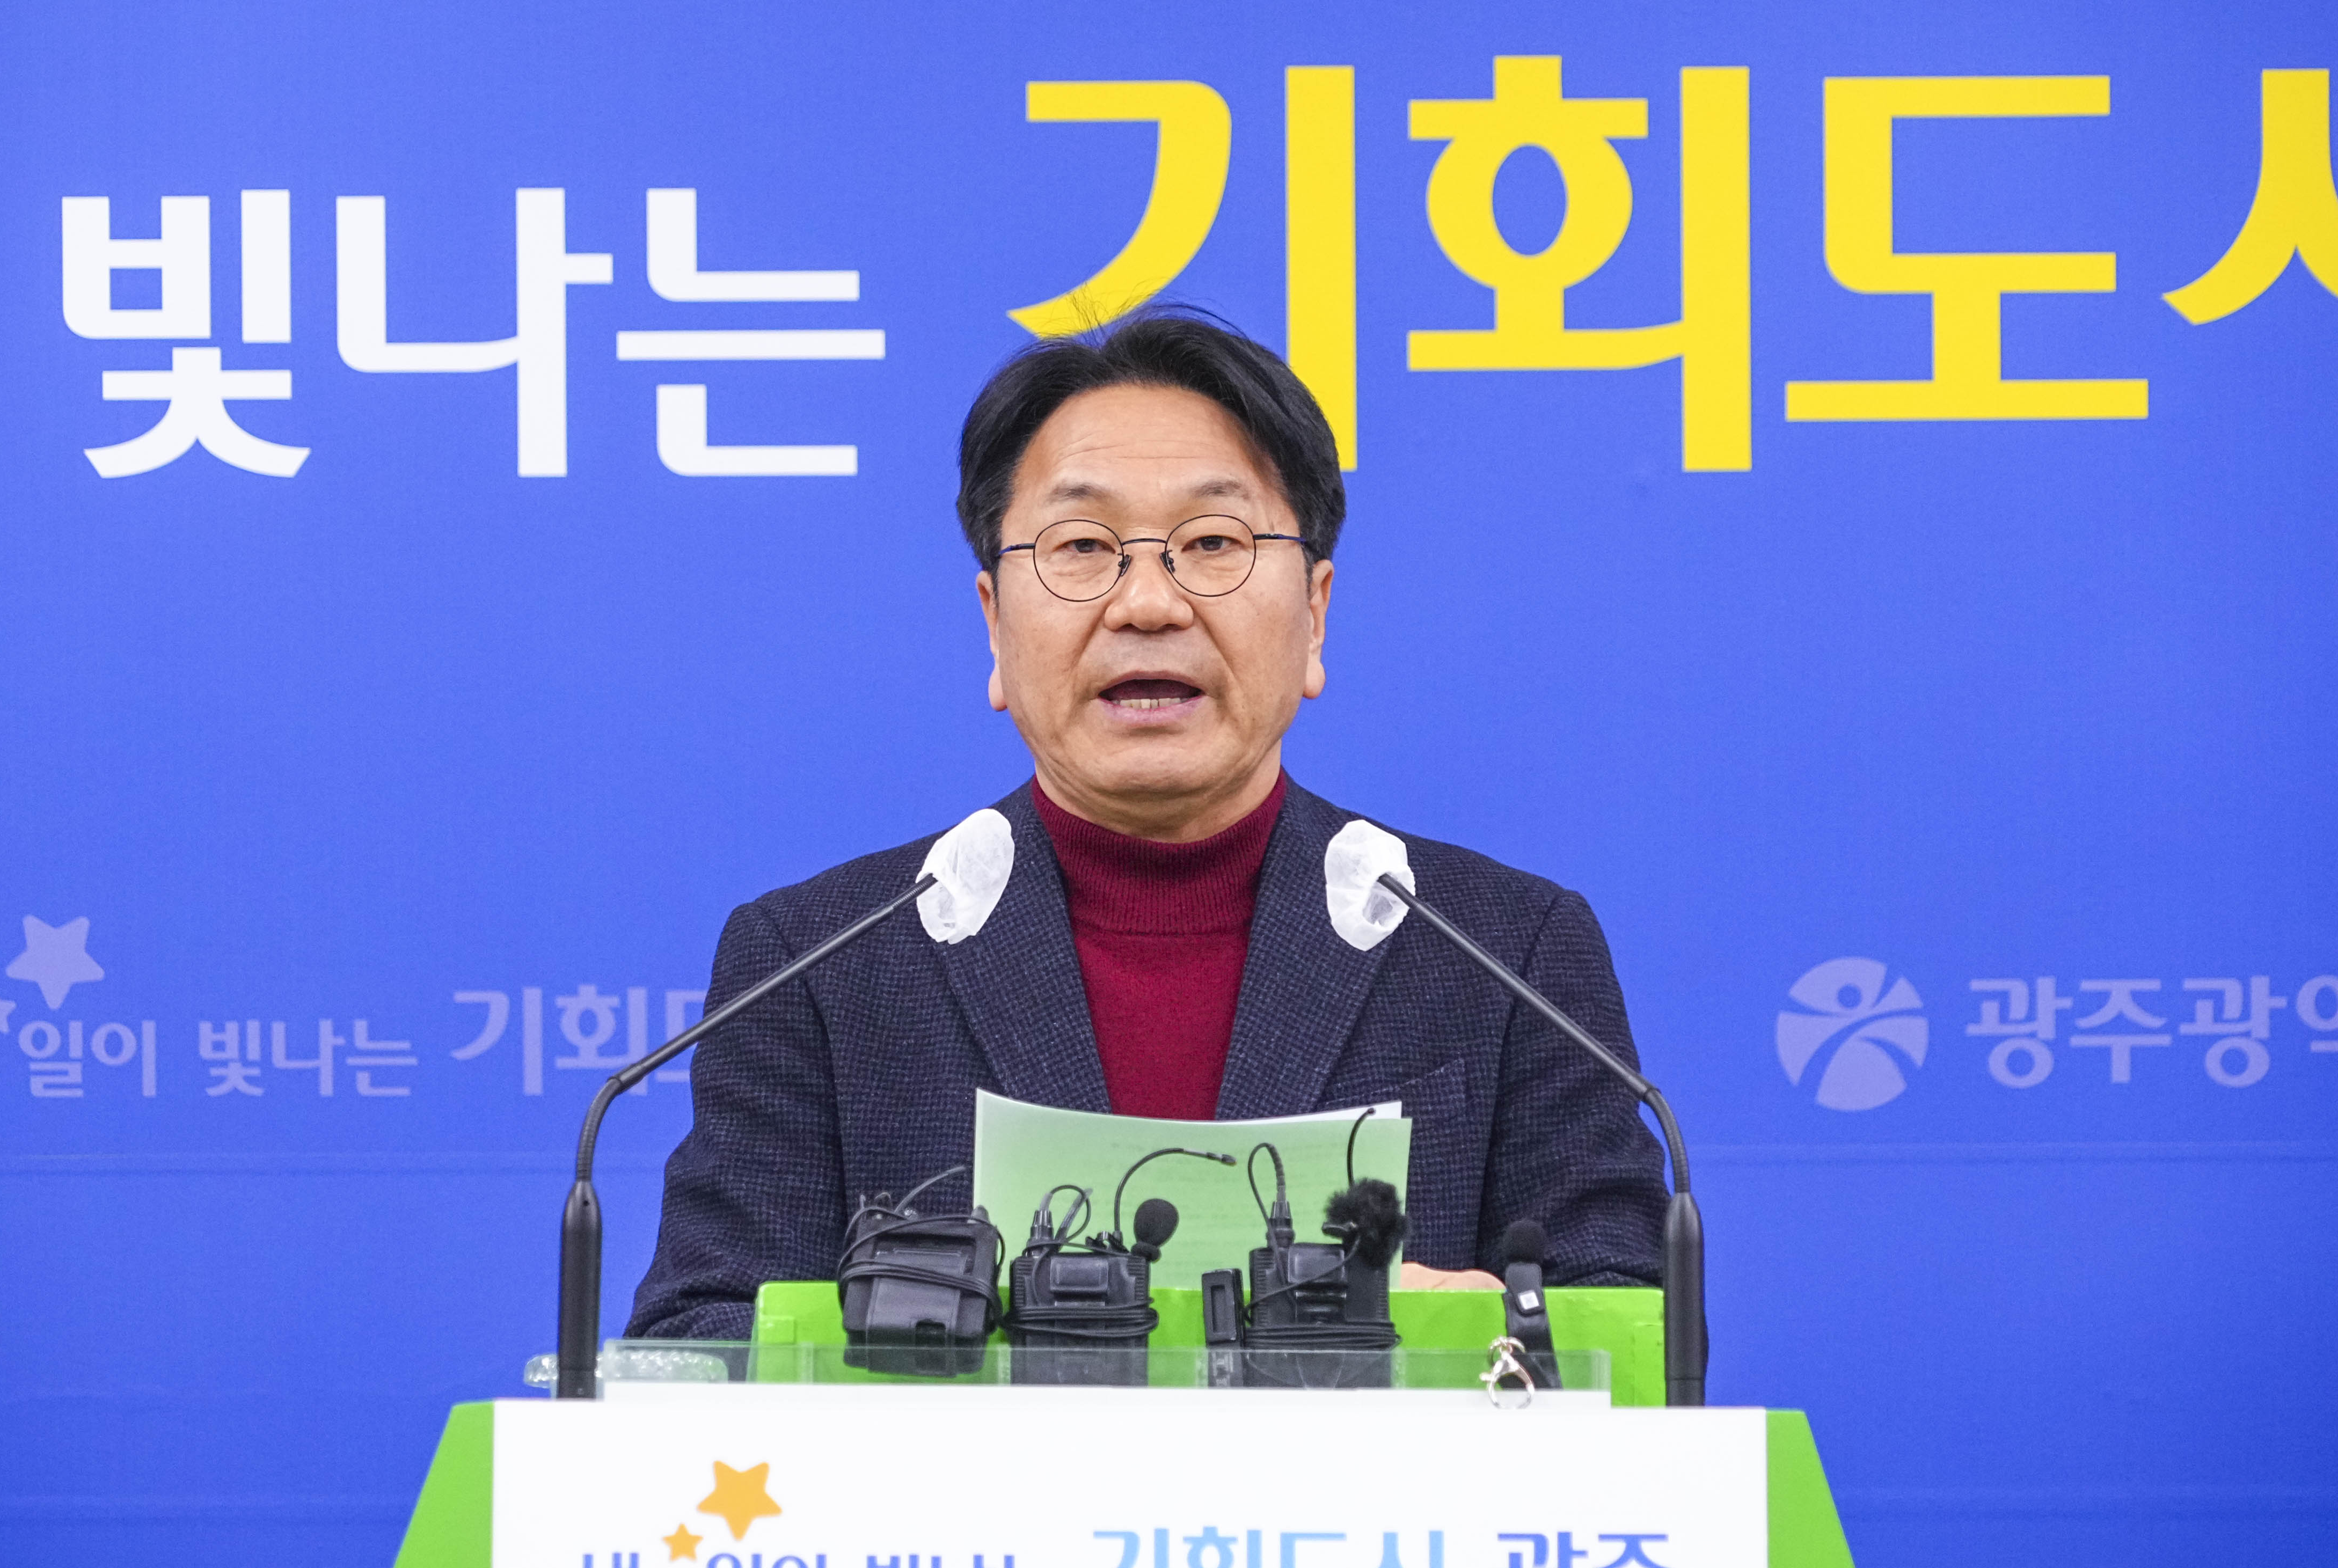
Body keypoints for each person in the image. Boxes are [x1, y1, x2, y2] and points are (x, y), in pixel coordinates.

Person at [627, 311, 1667, 1340]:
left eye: (1212, 543)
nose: (1148, 604)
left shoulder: (1504, 955)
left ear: (1315, 614)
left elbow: (1639, 1334)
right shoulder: (819, 966)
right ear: (994, 622)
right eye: (1083, 547)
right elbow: (698, 1342)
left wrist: (1463, 1338)